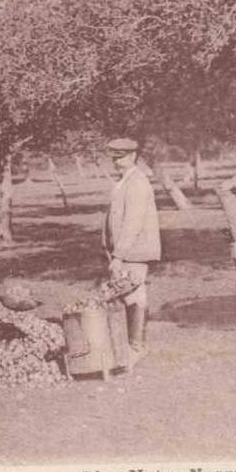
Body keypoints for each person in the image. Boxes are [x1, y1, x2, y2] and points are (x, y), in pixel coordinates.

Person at [101, 138, 161, 369]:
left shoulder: (137, 183)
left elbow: (133, 223)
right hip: (125, 252)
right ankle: (128, 346)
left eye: (122, 157)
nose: (117, 162)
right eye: (114, 158)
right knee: (128, 296)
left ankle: (136, 347)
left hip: (134, 252)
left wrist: (119, 255)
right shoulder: (124, 181)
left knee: (135, 296)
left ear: (134, 156)